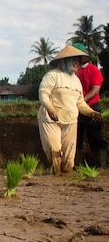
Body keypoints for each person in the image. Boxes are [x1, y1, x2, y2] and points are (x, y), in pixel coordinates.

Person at [38, 45, 102, 175]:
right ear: (64, 61)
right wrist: (50, 109)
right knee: (54, 150)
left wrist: (92, 113)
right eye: (74, 60)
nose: (77, 63)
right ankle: (55, 175)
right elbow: (43, 94)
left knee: (68, 159)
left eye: (78, 60)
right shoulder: (52, 76)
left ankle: (66, 178)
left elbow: (80, 103)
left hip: (71, 121)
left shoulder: (76, 81)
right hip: (51, 120)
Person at [73, 43, 107, 167]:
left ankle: (101, 164)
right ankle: (75, 164)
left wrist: (82, 101)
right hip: (74, 109)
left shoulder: (93, 70)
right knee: (75, 138)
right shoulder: (72, 73)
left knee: (95, 136)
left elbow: (95, 90)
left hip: (91, 106)